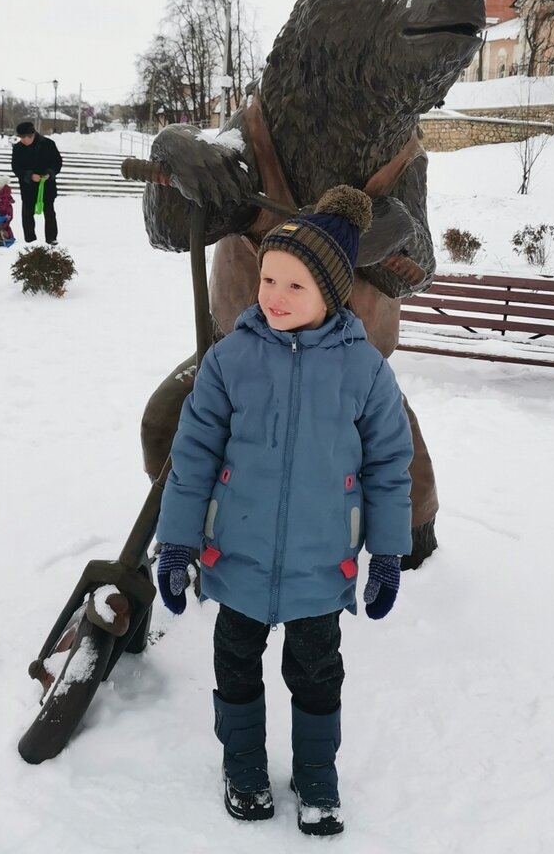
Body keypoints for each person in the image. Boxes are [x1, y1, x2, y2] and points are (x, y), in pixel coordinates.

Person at [155, 186, 413, 836]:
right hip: (233, 561)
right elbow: (191, 459)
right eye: (268, 278)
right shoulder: (231, 361)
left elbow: (388, 467)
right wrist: (179, 542)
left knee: (317, 674)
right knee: (235, 667)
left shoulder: (363, 370)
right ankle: (242, 768)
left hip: (318, 569)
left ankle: (316, 778)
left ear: (330, 292)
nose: (272, 295)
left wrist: (386, 552)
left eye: (293, 285)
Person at [11, 121, 63, 244]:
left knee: (49, 212)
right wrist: (29, 175)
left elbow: (57, 163)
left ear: (32, 134)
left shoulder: (48, 144)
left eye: (25, 137)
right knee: (27, 214)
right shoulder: (18, 148)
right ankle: (30, 239)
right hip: (28, 186)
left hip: (47, 186)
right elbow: (16, 167)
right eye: (21, 137)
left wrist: (50, 173)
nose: (23, 140)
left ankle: (51, 238)